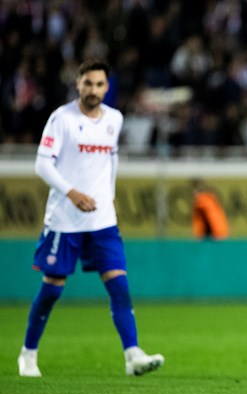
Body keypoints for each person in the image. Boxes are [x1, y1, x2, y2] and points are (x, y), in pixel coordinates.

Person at [17, 59, 164, 377]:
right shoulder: (62, 119)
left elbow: (111, 160)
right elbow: (42, 165)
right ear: (78, 84)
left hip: (102, 222)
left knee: (119, 286)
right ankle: (28, 354)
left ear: (107, 87)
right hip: (65, 220)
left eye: (99, 84)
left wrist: (107, 198)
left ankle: (132, 354)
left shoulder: (114, 119)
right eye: (88, 83)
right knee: (53, 289)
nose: (93, 90)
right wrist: (72, 193)